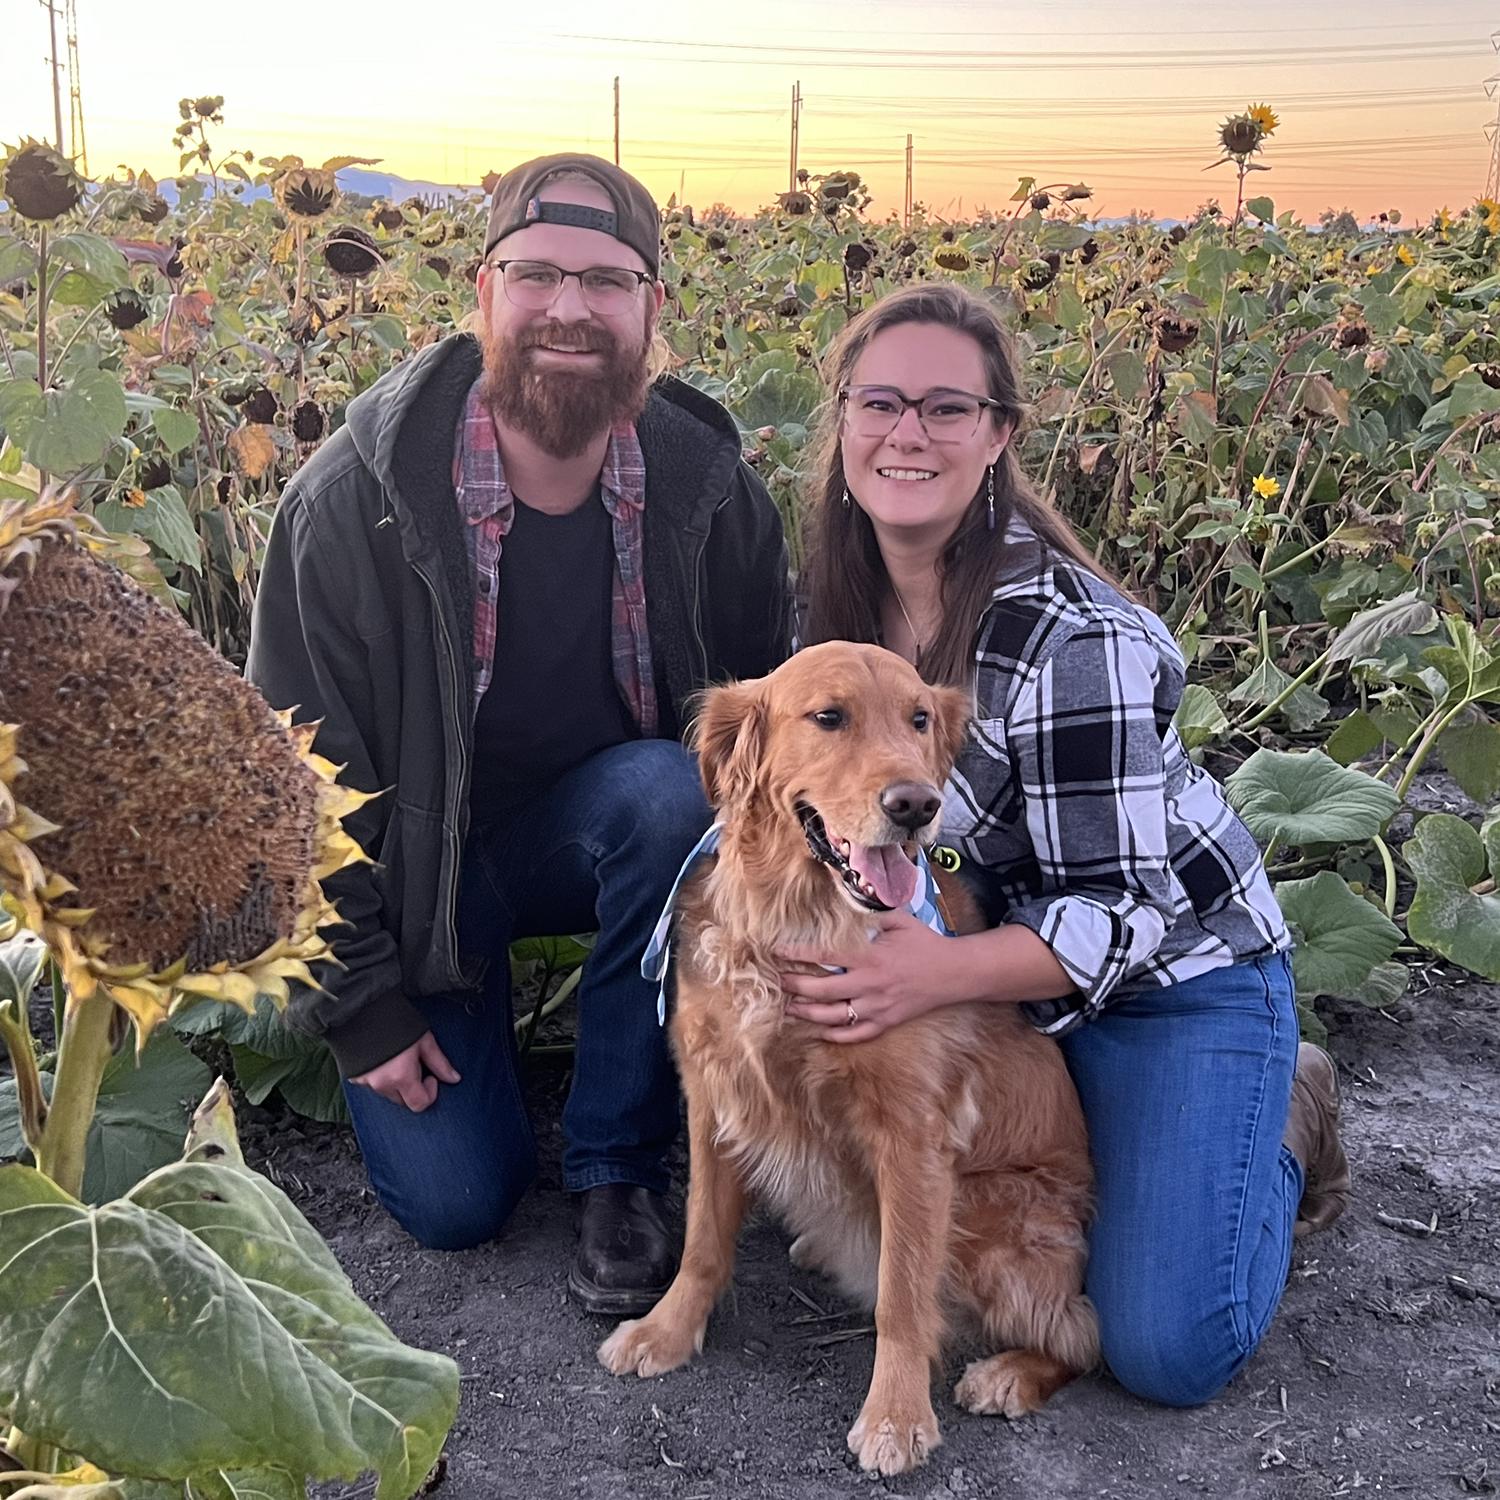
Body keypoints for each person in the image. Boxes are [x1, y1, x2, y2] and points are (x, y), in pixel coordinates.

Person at [778, 282, 1350, 1407]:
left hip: (1170, 980)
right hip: (1005, 975)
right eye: (880, 402)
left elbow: (1131, 911)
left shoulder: (1068, 639)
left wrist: (932, 971)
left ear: (998, 436)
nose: (908, 434)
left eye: (948, 408)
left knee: (1168, 1346)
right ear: (842, 419)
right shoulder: (834, 613)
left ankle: (1278, 1113)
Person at [247, 153, 791, 1313]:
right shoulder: (355, 502)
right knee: (456, 1208)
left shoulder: (711, 495)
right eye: (536, 274)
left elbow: (775, 745)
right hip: (417, 887)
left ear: (654, 310)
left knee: (668, 791)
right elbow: (283, 784)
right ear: (482, 293)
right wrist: (363, 1011)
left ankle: (616, 1161)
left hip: (619, 839)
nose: (569, 310)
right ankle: (463, 1024)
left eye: (606, 280)